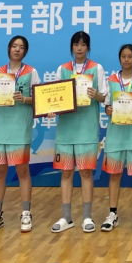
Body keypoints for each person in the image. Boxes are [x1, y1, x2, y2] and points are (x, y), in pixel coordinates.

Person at [50, 32, 106, 234]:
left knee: (85, 172)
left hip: (87, 129)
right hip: (66, 130)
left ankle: (87, 216)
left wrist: (96, 94)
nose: (79, 48)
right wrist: (52, 108)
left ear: (88, 47)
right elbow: (56, 96)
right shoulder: (63, 69)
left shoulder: (97, 68)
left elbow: (104, 98)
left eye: (83, 44)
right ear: (72, 47)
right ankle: (66, 217)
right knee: (66, 173)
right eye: (76, 44)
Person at [0, 36, 38, 233]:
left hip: (19, 128)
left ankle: (26, 213)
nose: (17, 49)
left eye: (21, 47)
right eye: (14, 46)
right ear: (9, 49)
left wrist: (24, 98)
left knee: (22, 172)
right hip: (0, 128)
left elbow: (38, 99)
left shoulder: (31, 72)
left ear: (25, 51)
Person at [101, 44, 132, 232]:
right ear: (119, 58)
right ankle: (112, 214)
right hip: (116, 134)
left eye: (130, 56)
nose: (127, 59)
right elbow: (107, 107)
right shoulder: (111, 80)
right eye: (123, 56)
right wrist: (108, 110)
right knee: (114, 175)